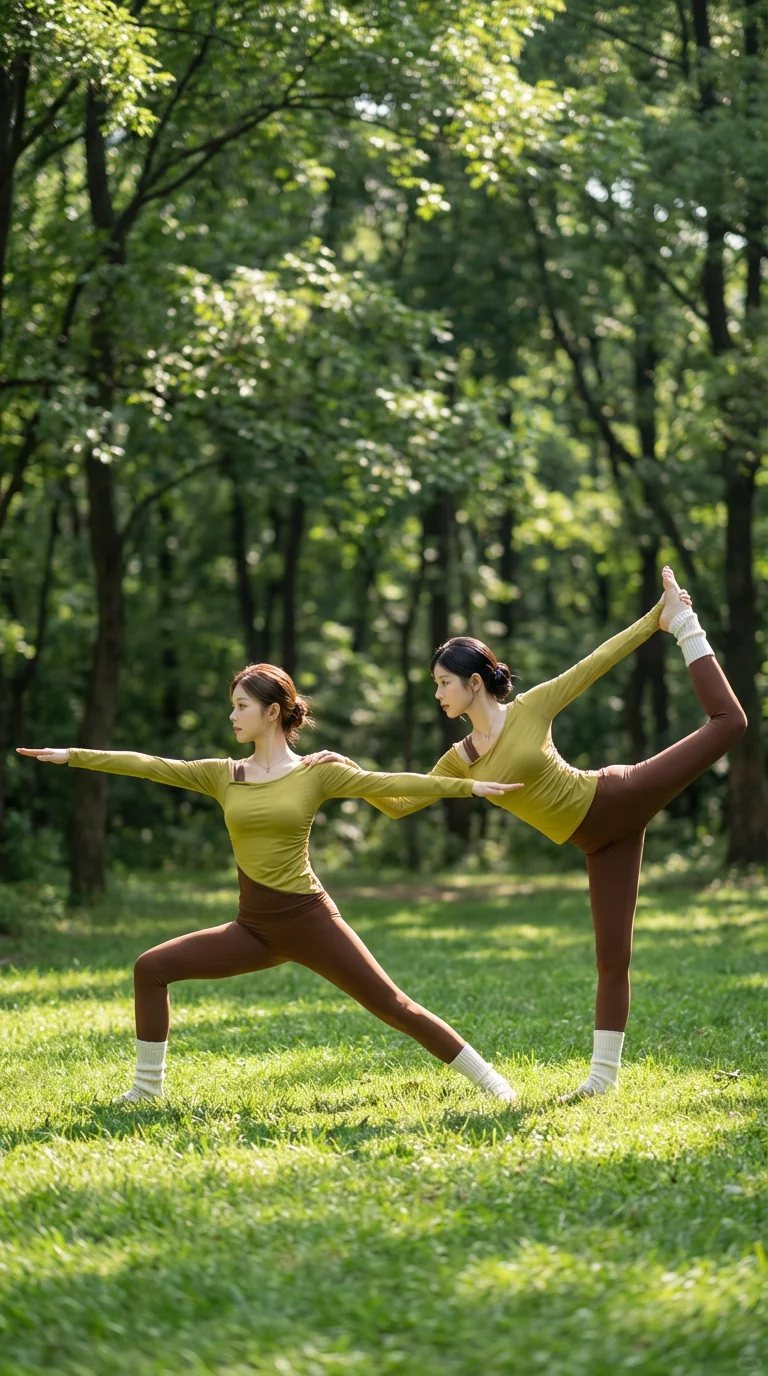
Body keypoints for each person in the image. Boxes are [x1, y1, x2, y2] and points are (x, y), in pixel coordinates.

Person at [305, 568, 747, 1101]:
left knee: (728, 724)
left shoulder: (531, 709)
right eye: (435, 685)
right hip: (600, 842)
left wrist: (659, 620)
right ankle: (602, 1081)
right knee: (612, 956)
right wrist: (346, 774)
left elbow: (596, 663)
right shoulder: (460, 759)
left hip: (616, 797)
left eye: (444, 682)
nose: (438, 694)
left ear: (474, 683)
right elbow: (400, 804)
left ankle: (688, 625)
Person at [17, 663, 525, 1105]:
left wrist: (467, 786)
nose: (233, 716)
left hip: (309, 921)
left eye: (241, 706)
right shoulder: (224, 774)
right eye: (232, 706)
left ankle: (493, 1083)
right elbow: (152, 767)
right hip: (254, 928)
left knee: (394, 1006)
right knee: (151, 967)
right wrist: (74, 755)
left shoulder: (316, 773)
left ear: (273, 712)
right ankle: (146, 1088)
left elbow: (389, 782)